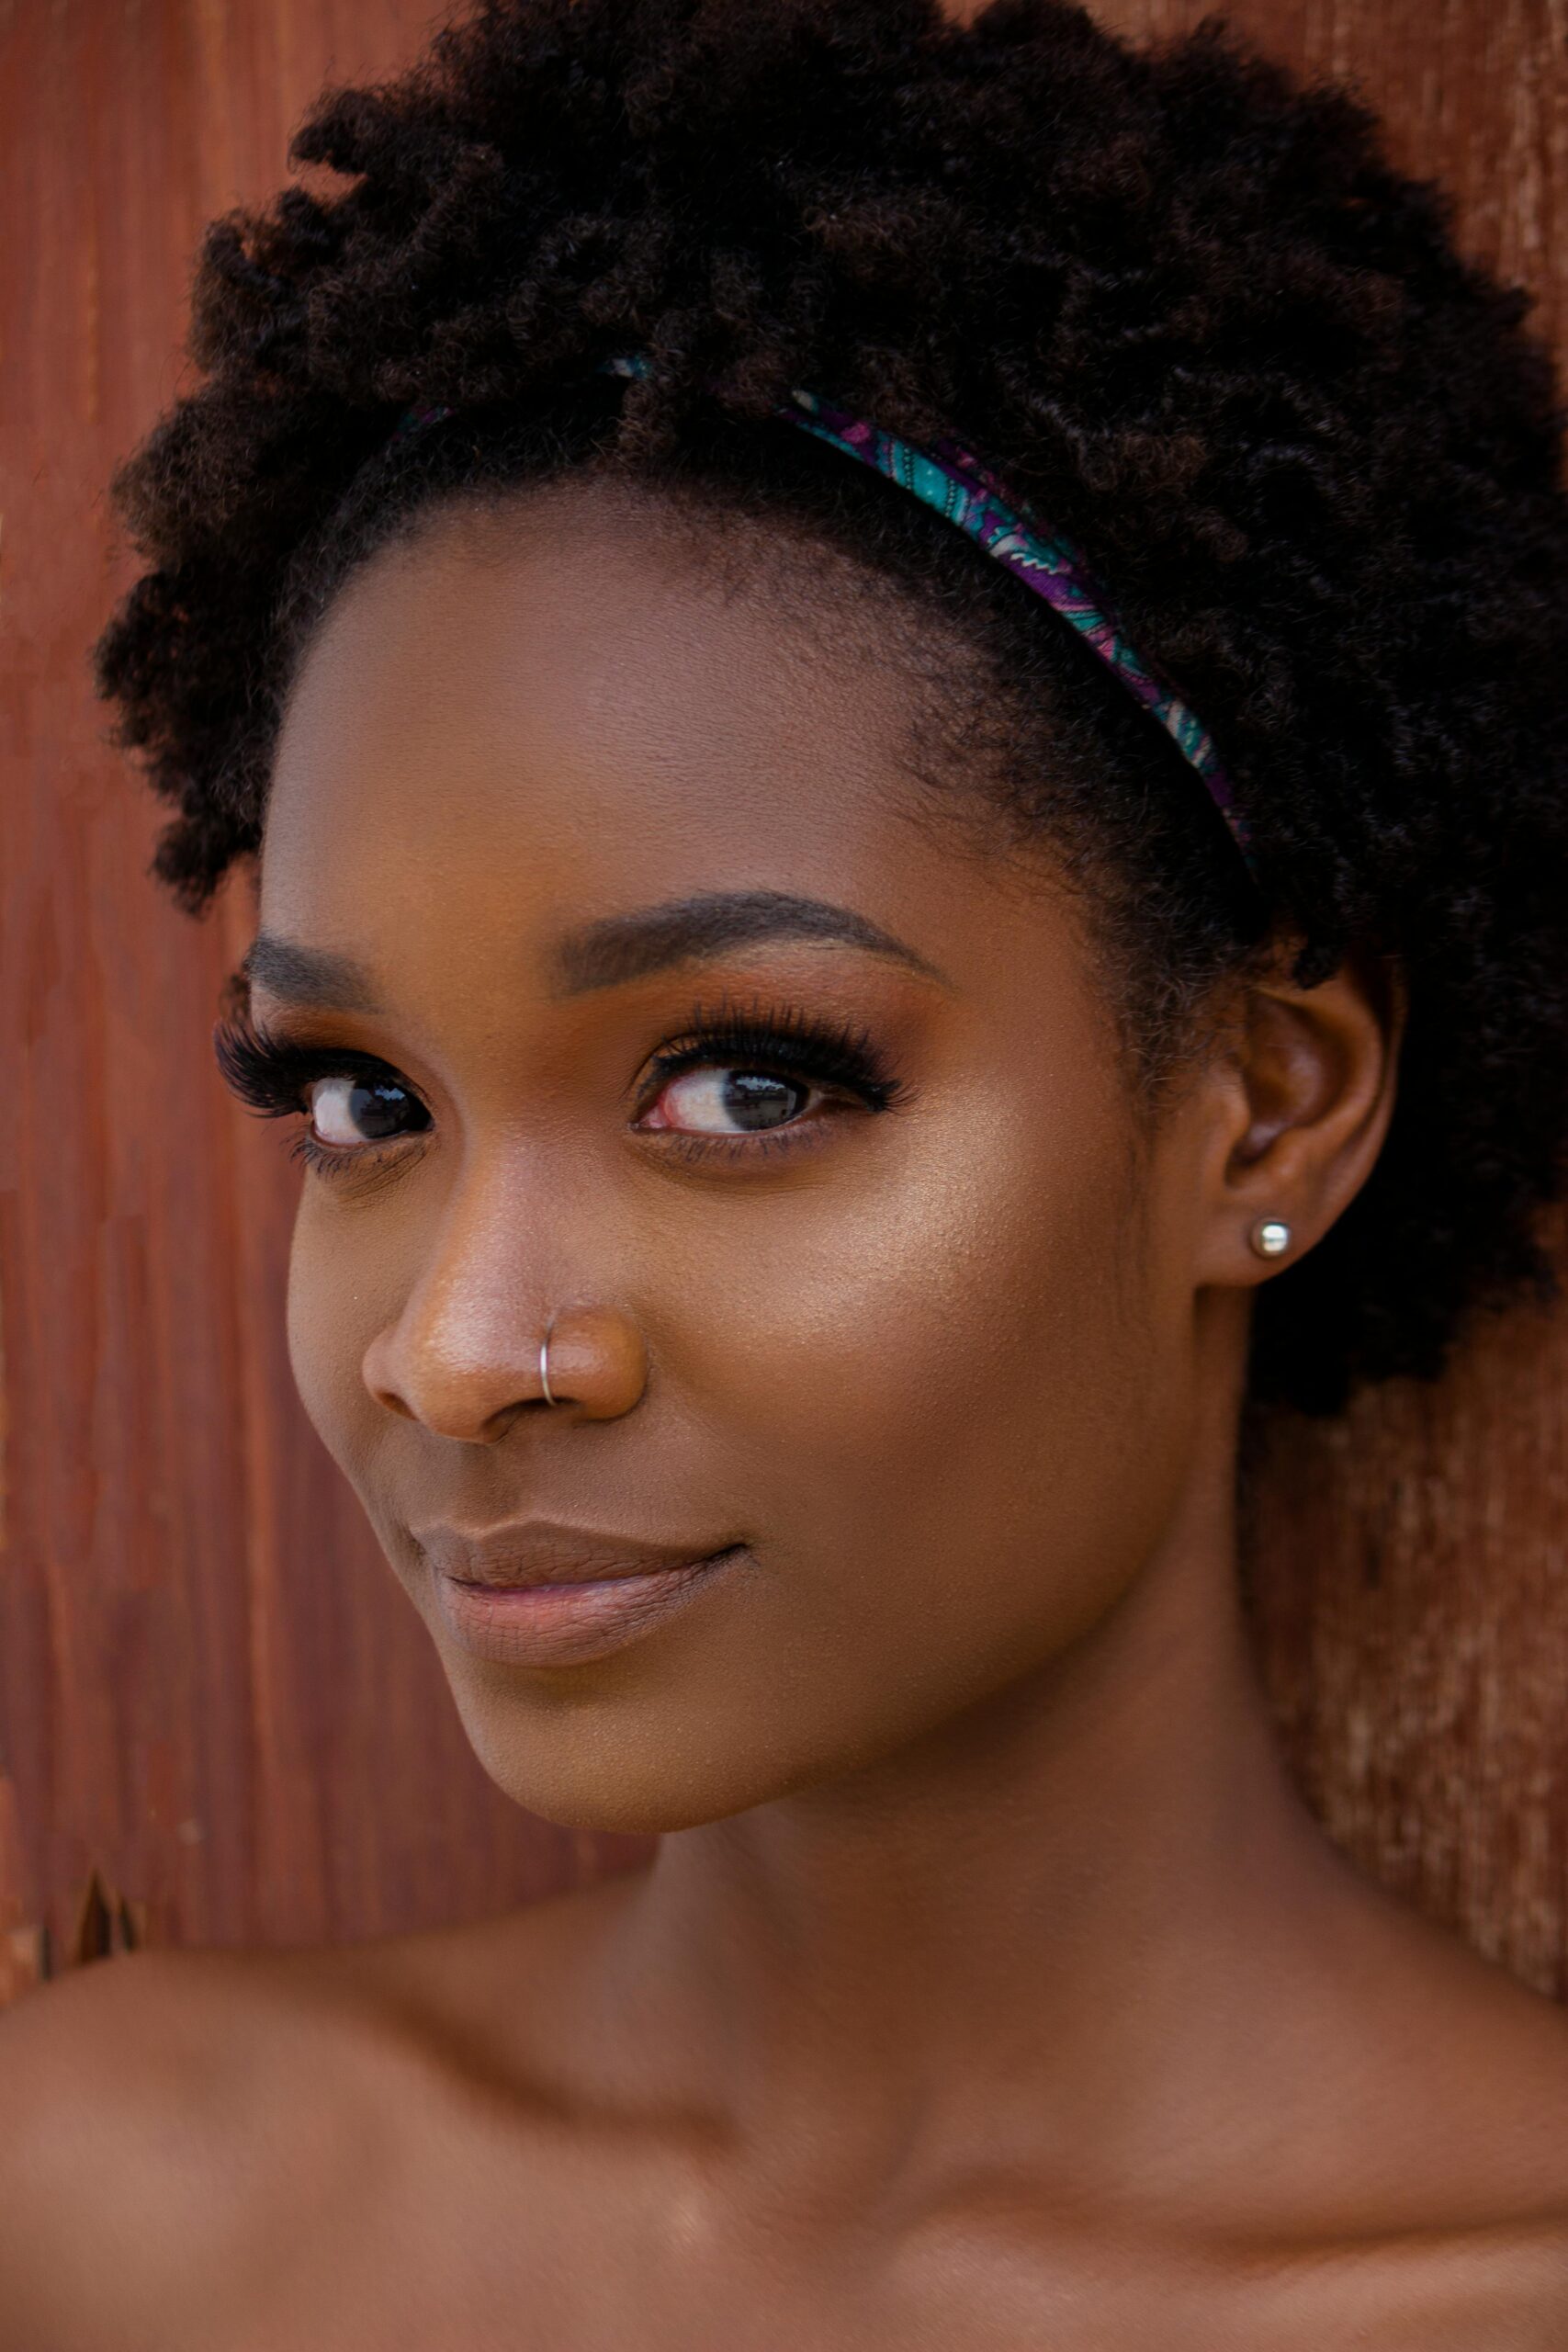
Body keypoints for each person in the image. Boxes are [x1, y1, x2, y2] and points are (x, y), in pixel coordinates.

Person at [5, 0, 1568, 2340]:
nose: (455, 1351)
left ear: (1263, 1100)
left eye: (745, 1084)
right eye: (361, 1101)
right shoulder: (101, 2208)